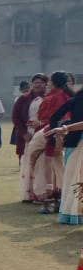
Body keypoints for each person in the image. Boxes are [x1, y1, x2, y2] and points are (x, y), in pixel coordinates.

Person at [27, 71, 72, 212]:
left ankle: (48, 195)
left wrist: (43, 125)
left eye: (49, 81)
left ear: (54, 82)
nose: (48, 84)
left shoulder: (56, 96)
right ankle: (58, 196)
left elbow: (57, 119)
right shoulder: (64, 95)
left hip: (53, 133)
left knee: (45, 162)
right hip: (59, 132)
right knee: (55, 164)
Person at [45, 89, 83, 224]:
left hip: (75, 142)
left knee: (73, 177)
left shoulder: (75, 100)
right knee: (74, 177)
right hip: (76, 142)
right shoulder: (76, 101)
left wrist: (64, 128)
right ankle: (73, 212)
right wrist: (64, 129)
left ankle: (73, 212)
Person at [14, 74, 47, 202]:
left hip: (43, 134)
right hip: (27, 136)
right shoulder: (23, 98)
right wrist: (24, 133)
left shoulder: (49, 98)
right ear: (31, 84)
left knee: (41, 164)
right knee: (27, 163)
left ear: (46, 84)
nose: (38, 85)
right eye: (35, 82)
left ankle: (41, 193)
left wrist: (41, 125)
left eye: (41, 82)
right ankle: (27, 194)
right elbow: (15, 117)